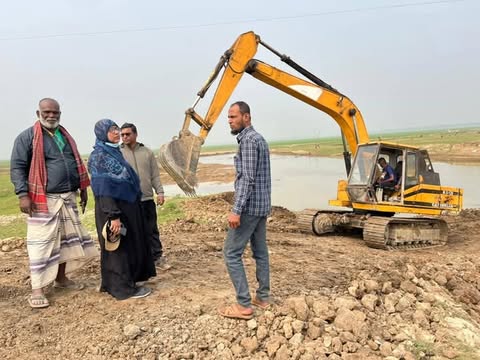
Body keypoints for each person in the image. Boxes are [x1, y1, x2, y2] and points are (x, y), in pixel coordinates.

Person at [10, 98, 98, 308]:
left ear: (60, 113)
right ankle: (37, 289)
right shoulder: (28, 137)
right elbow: (17, 167)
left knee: (65, 241)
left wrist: (83, 189)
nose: (51, 116)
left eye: (55, 112)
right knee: (41, 244)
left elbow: (74, 163)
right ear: (38, 112)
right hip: (42, 200)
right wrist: (23, 194)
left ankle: (61, 279)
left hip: (68, 196)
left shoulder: (64, 135)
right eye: (47, 112)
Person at [87, 119, 156, 300]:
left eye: (117, 129)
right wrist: (113, 216)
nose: (117, 133)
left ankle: (118, 282)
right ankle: (123, 289)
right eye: (112, 130)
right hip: (113, 210)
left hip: (125, 208)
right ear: (102, 133)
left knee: (124, 246)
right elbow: (103, 190)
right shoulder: (100, 156)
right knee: (117, 248)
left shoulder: (112, 152)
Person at [218, 101, 272, 320]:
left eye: (233, 117)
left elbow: (247, 179)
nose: (230, 121)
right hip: (261, 207)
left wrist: (236, 210)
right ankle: (263, 297)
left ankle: (243, 305)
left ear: (246, 117)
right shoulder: (259, 138)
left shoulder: (249, 141)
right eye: (229, 118)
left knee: (231, 253)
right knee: (260, 252)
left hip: (249, 208)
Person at [120, 123, 170, 270]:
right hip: (128, 201)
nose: (124, 137)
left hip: (146, 199)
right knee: (129, 231)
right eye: (122, 135)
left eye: (127, 134)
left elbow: (155, 175)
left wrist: (160, 192)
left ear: (135, 134)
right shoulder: (118, 153)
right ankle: (133, 260)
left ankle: (157, 257)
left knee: (151, 229)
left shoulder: (147, 152)